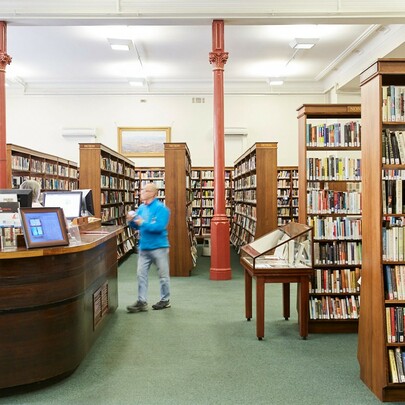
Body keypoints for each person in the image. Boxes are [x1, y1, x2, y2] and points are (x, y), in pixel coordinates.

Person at [126, 182, 171, 313]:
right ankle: (142, 301)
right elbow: (137, 226)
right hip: (144, 247)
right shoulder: (141, 208)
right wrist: (131, 221)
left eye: (144, 190)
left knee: (163, 276)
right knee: (141, 275)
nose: (141, 192)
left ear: (152, 193)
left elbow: (159, 227)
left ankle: (165, 300)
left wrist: (143, 223)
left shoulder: (162, 209)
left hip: (159, 247)